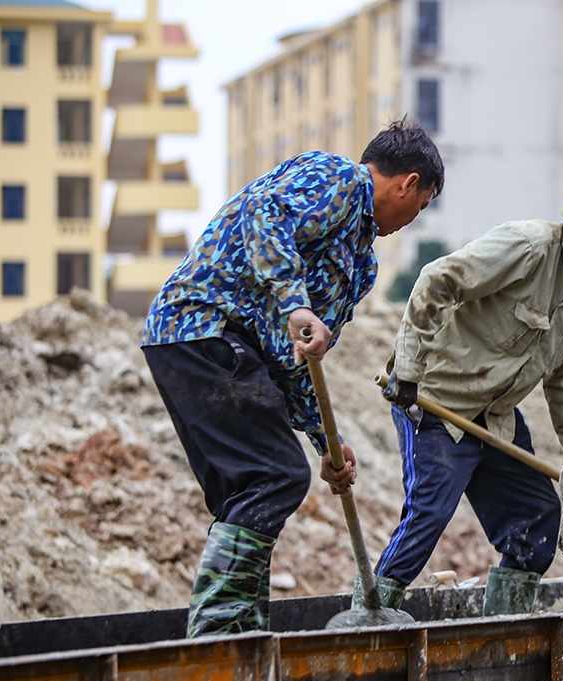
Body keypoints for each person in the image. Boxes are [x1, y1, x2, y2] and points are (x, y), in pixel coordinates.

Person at [141, 120, 444, 637]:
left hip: (232, 350)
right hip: (201, 327)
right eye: (422, 205)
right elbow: (266, 214)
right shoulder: (340, 179)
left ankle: (242, 632)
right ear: (407, 184)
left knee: (248, 491)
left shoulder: (360, 263)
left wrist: (327, 440)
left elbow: (299, 358)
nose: (414, 219)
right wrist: (292, 300)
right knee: (273, 476)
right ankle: (218, 636)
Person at [370, 185, 563, 617]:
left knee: (537, 518)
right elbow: (436, 280)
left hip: (496, 416)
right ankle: (373, 610)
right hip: (435, 402)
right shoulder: (526, 248)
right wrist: (409, 372)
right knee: (430, 511)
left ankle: (505, 626)